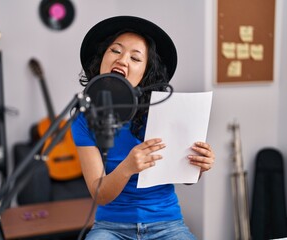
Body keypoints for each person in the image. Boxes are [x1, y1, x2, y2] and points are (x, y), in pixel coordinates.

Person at [72, 16, 215, 240]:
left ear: (145, 73)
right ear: (101, 59)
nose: (122, 59)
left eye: (135, 57)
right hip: (110, 227)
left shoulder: (163, 111)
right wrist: (127, 167)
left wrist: (199, 166)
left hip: (167, 224)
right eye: (115, 51)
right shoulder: (83, 121)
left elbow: (186, 178)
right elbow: (99, 194)